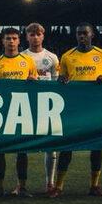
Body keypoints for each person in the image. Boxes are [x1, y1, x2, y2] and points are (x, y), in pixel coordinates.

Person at [48, 22, 102, 198]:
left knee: (97, 147)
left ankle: (94, 185)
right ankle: (59, 186)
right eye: (78, 33)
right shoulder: (67, 56)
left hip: (96, 109)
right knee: (67, 147)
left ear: (92, 35)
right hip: (74, 108)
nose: (81, 36)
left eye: (85, 33)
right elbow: (61, 78)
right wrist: (62, 79)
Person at [0, 28, 38, 197]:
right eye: (8, 39)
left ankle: (22, 186)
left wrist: (34, 81)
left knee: (22, 151)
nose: (11, 41)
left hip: (22, 110)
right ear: (2, 41)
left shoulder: (28, 61)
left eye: (14, 38)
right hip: (2, 111)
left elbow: (36, 86)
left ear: (19, 41)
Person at [22, 22, 61, 193]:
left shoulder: (52, 57)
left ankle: (49, 183)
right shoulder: (22, 57)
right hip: (26, 104)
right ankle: (20, 185)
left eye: (38, 34)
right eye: (32, 34)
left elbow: (56, 82)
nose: (35, 37)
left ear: (43, 36)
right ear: (27, 37)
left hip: (47, 105)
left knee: (50, 145)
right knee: (21, 147)